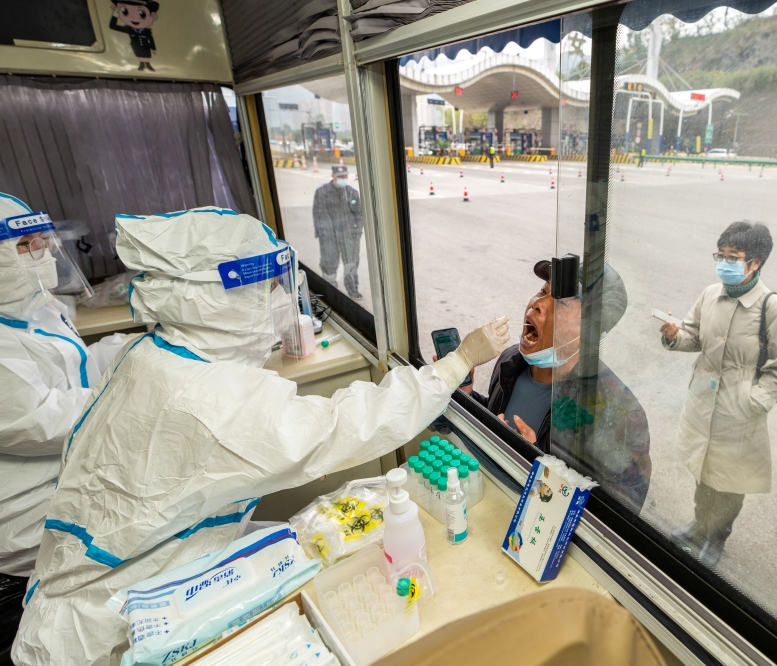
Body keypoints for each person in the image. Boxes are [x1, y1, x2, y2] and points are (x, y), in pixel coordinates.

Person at [12, 207, 510, 666]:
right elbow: (345, 427)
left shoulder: (152, 355)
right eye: (265, 286)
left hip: (97, 594)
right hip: (101, 632)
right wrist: (457, 363)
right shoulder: (207, 400)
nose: (276, 299)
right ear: (215, 297)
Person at [0, 193, 128, 664]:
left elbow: (78, 368)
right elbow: (39, 420)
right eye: (23, 245)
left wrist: (133, 351)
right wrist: (131, 389)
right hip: (27, 525)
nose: (42, 254)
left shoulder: (33, 307)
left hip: (69, 483)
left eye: (41, 241)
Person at [661, 222, 777, 567]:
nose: (724, 263)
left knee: (730, 479)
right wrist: (673, 335)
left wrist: (756, 399)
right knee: (704, 470)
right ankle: (700, 525)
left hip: (739, 412)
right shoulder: (710, 294)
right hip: (703, 402)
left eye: (733, 257)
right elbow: (694, 336)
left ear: (755, 262)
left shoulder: (773, 308)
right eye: (720, 255)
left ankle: (716, 537)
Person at [460, 260, 652, 515]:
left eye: (560, 302)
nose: (538, 304)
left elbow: (620, 517)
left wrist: (540, 470)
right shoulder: (511, 361)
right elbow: (496, 421)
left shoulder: (618, 411)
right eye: (542, 290)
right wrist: (466, 397)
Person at [313, 164, 363, 300]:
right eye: (340, 176)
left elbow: (359, 215)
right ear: (333, 176)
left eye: (345, 176)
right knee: (329, 264)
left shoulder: (352, 192)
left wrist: (357, 233)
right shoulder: (322, 192)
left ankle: (353, 290)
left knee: (351, 264)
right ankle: (331, 291)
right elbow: (317, 214)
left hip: (349, 236)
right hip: (329, 237)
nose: (343, 179)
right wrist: (321, 235)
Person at [108, 1, 159, 71]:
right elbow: (113, 26)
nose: (132, 17)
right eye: (125, 11)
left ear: (153, 16)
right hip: (136, 45)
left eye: (141, 14)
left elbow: (151, 38)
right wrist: (115, 15)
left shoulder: (147, 31)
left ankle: (148, 65)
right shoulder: (129, 29)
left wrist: (153, 48)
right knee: (139, 54)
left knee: (146, 54)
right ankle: (141, 64)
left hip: (146, 45)